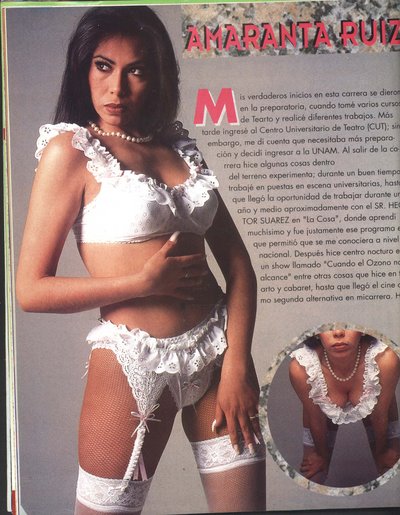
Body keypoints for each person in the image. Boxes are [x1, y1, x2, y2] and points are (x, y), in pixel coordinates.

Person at [16, 6, 266, 514]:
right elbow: (30, 290)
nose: (117, 88)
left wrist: (238, 364)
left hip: (218, 353)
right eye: (103, 66)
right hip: (134, 361)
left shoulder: (179, 148)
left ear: (157, 76)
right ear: (83, 68)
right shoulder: (72, 151)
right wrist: (141, 281)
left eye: (136, 71)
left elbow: (239, 266)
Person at [289, 327, 400, 486]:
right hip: (317, 413)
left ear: (363, 329)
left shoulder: (385, 358)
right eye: (328, 327)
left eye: (347, 325)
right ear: (317, 333)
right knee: (314, 478)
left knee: (390, 471)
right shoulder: (302, 367)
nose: (338, 333)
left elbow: (380, 415)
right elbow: (316, 419)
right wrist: (321, 456)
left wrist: (382, 452)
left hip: (380, 408)